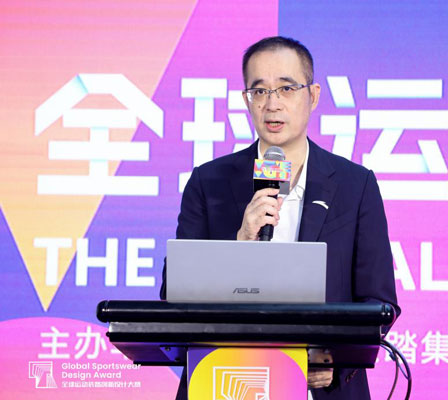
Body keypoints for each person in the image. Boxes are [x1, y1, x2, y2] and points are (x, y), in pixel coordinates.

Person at [160, 36, 399, 400]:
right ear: (246, 100)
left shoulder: (355, 185)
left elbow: (378, 301)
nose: (272, 104)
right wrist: (240, 242)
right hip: (223, 380)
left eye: (286, 88)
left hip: (320, 388)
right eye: (259, 91)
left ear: (313, 96)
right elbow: (174, 295)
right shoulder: (209, 182)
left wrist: (335, 362)